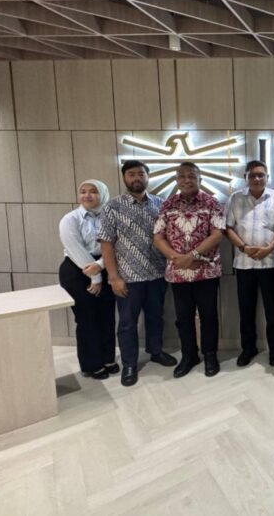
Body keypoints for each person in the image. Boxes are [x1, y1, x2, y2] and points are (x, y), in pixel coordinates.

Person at [99, 160, 177, 387]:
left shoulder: (160, 204)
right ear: (124, 178)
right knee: (127, 323)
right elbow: (106, 243)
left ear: (147, 177)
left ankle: (156, 351)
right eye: (131, 174)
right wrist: (113, 277)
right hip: (128, 277)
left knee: (156, 317)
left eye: (141, 174)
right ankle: (129, 364)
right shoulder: (112, 207)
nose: (136, 178)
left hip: (157, 274)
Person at [153, 163, 225, 378]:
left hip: (206, 270)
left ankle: (210, 355)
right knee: (183, 317)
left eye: (191, 176)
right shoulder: (168, 204)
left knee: (208, 316)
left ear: (199, 179)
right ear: (176, 180)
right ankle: (189, 355)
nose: (187, 180)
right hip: (178, 272)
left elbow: (217, 234)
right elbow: (158, 237)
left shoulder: (211, 202)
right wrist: (177, 258)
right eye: (182, 176)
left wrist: (191, 256)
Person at [224, 160, 274, 368]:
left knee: (273, 311)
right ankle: (248, 349)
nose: (257, 179)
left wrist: (269, 248)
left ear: (267, 177)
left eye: (261, 175)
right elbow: (228, 227)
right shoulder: (235, 198)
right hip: (244, 263)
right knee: (246, 310)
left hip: (270, 263)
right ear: (245, 178)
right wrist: (243, 247)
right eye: (252, 175)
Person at [58, 179, 117, 380]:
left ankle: (108, 358)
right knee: (86, 318)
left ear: (103, 194)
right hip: (76, 271)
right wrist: (96, 276)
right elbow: (75, 248)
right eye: (83, 191)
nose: (87, 195)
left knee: (106, 315)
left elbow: (117, 245)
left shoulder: (111, 217)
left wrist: (100, 266)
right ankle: (91, 364)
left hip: (105, 265)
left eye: (93, 191)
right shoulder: (70, 219)